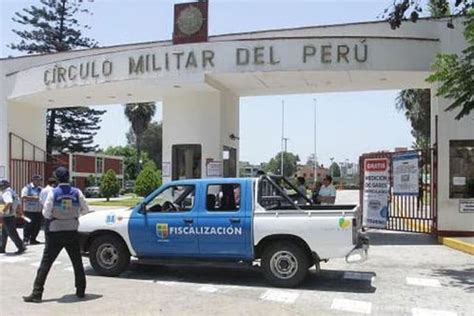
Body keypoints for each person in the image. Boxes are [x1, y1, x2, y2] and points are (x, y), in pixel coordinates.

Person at [23, 167, 89, 303]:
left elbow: (46, 213)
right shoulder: (77, 192)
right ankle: (81, 291)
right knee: (77, 262)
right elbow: (85, 210)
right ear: (69, 177)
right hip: (72, 230)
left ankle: (37, 293)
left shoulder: (53, 193)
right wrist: (72, 215)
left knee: (46, 263)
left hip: (55, 231)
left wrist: (57, 215)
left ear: (57, 178)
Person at [0, 180, 27, 254]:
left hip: (7, 216)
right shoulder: (13, 192)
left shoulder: (6, 193)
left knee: (11, 233)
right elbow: (18, 204)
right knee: (4, 233)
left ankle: (21, 247)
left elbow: (9, 202)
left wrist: (2, 211)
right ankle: (2, 248)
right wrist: (19, 212)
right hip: (11, 215)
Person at [21, 175, 43, 245]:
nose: (39, 182)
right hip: (29, 210)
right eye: (37, 180)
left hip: (38, 210)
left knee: (37, 226)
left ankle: (33, 239)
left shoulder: (40, 189)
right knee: (28, 225)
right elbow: (23, 197)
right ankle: (25, 239)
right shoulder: (27, 188)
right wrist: (34, 198)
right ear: (33, 180)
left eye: (40, 180)